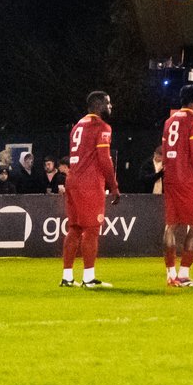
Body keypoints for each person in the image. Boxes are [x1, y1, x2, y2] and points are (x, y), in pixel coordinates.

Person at [62, 91, 120, 289]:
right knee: (92, 230)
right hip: (89, 182)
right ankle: (88, 278)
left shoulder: (77, 126)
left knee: (75, 229)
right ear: (98, 105)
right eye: (108, 103)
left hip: (72, 180)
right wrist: (114, 185)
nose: (110, 106)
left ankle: (67, 277)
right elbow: (104, 158)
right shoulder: (101, 127)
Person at [159, 85, 193, 288]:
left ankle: (170, 273)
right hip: (188, 179)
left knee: (171, 225)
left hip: (171, 177)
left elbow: (164, 151)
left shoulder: (170, 120)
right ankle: (184, 274)